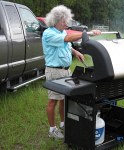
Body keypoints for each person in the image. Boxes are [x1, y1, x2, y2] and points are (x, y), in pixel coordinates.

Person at [42, 5, 101, 140]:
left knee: (64, 99)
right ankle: (52, 129)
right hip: (54, 72)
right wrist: (88, 33)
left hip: (66, 71)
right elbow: (68, 39)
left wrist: (76, 52)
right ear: (56, 21)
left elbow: (67, 45)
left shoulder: (61, 32)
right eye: (64, 21)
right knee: (53, 100)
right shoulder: (49, 33)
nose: (66, 23)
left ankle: (64, 123)